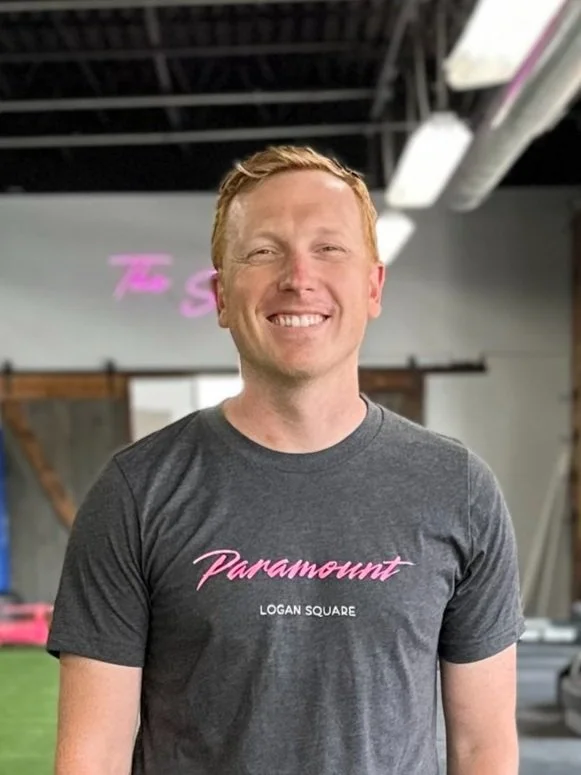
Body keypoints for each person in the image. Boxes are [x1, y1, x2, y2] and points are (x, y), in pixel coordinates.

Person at [47, 145, 525, 775]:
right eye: (264, 251)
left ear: (374, 285)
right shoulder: (138, 492)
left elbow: (482, 747)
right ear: (221, 296)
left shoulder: (457, 489)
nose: (299, 277)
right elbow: (94, 756)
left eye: (329, 248)